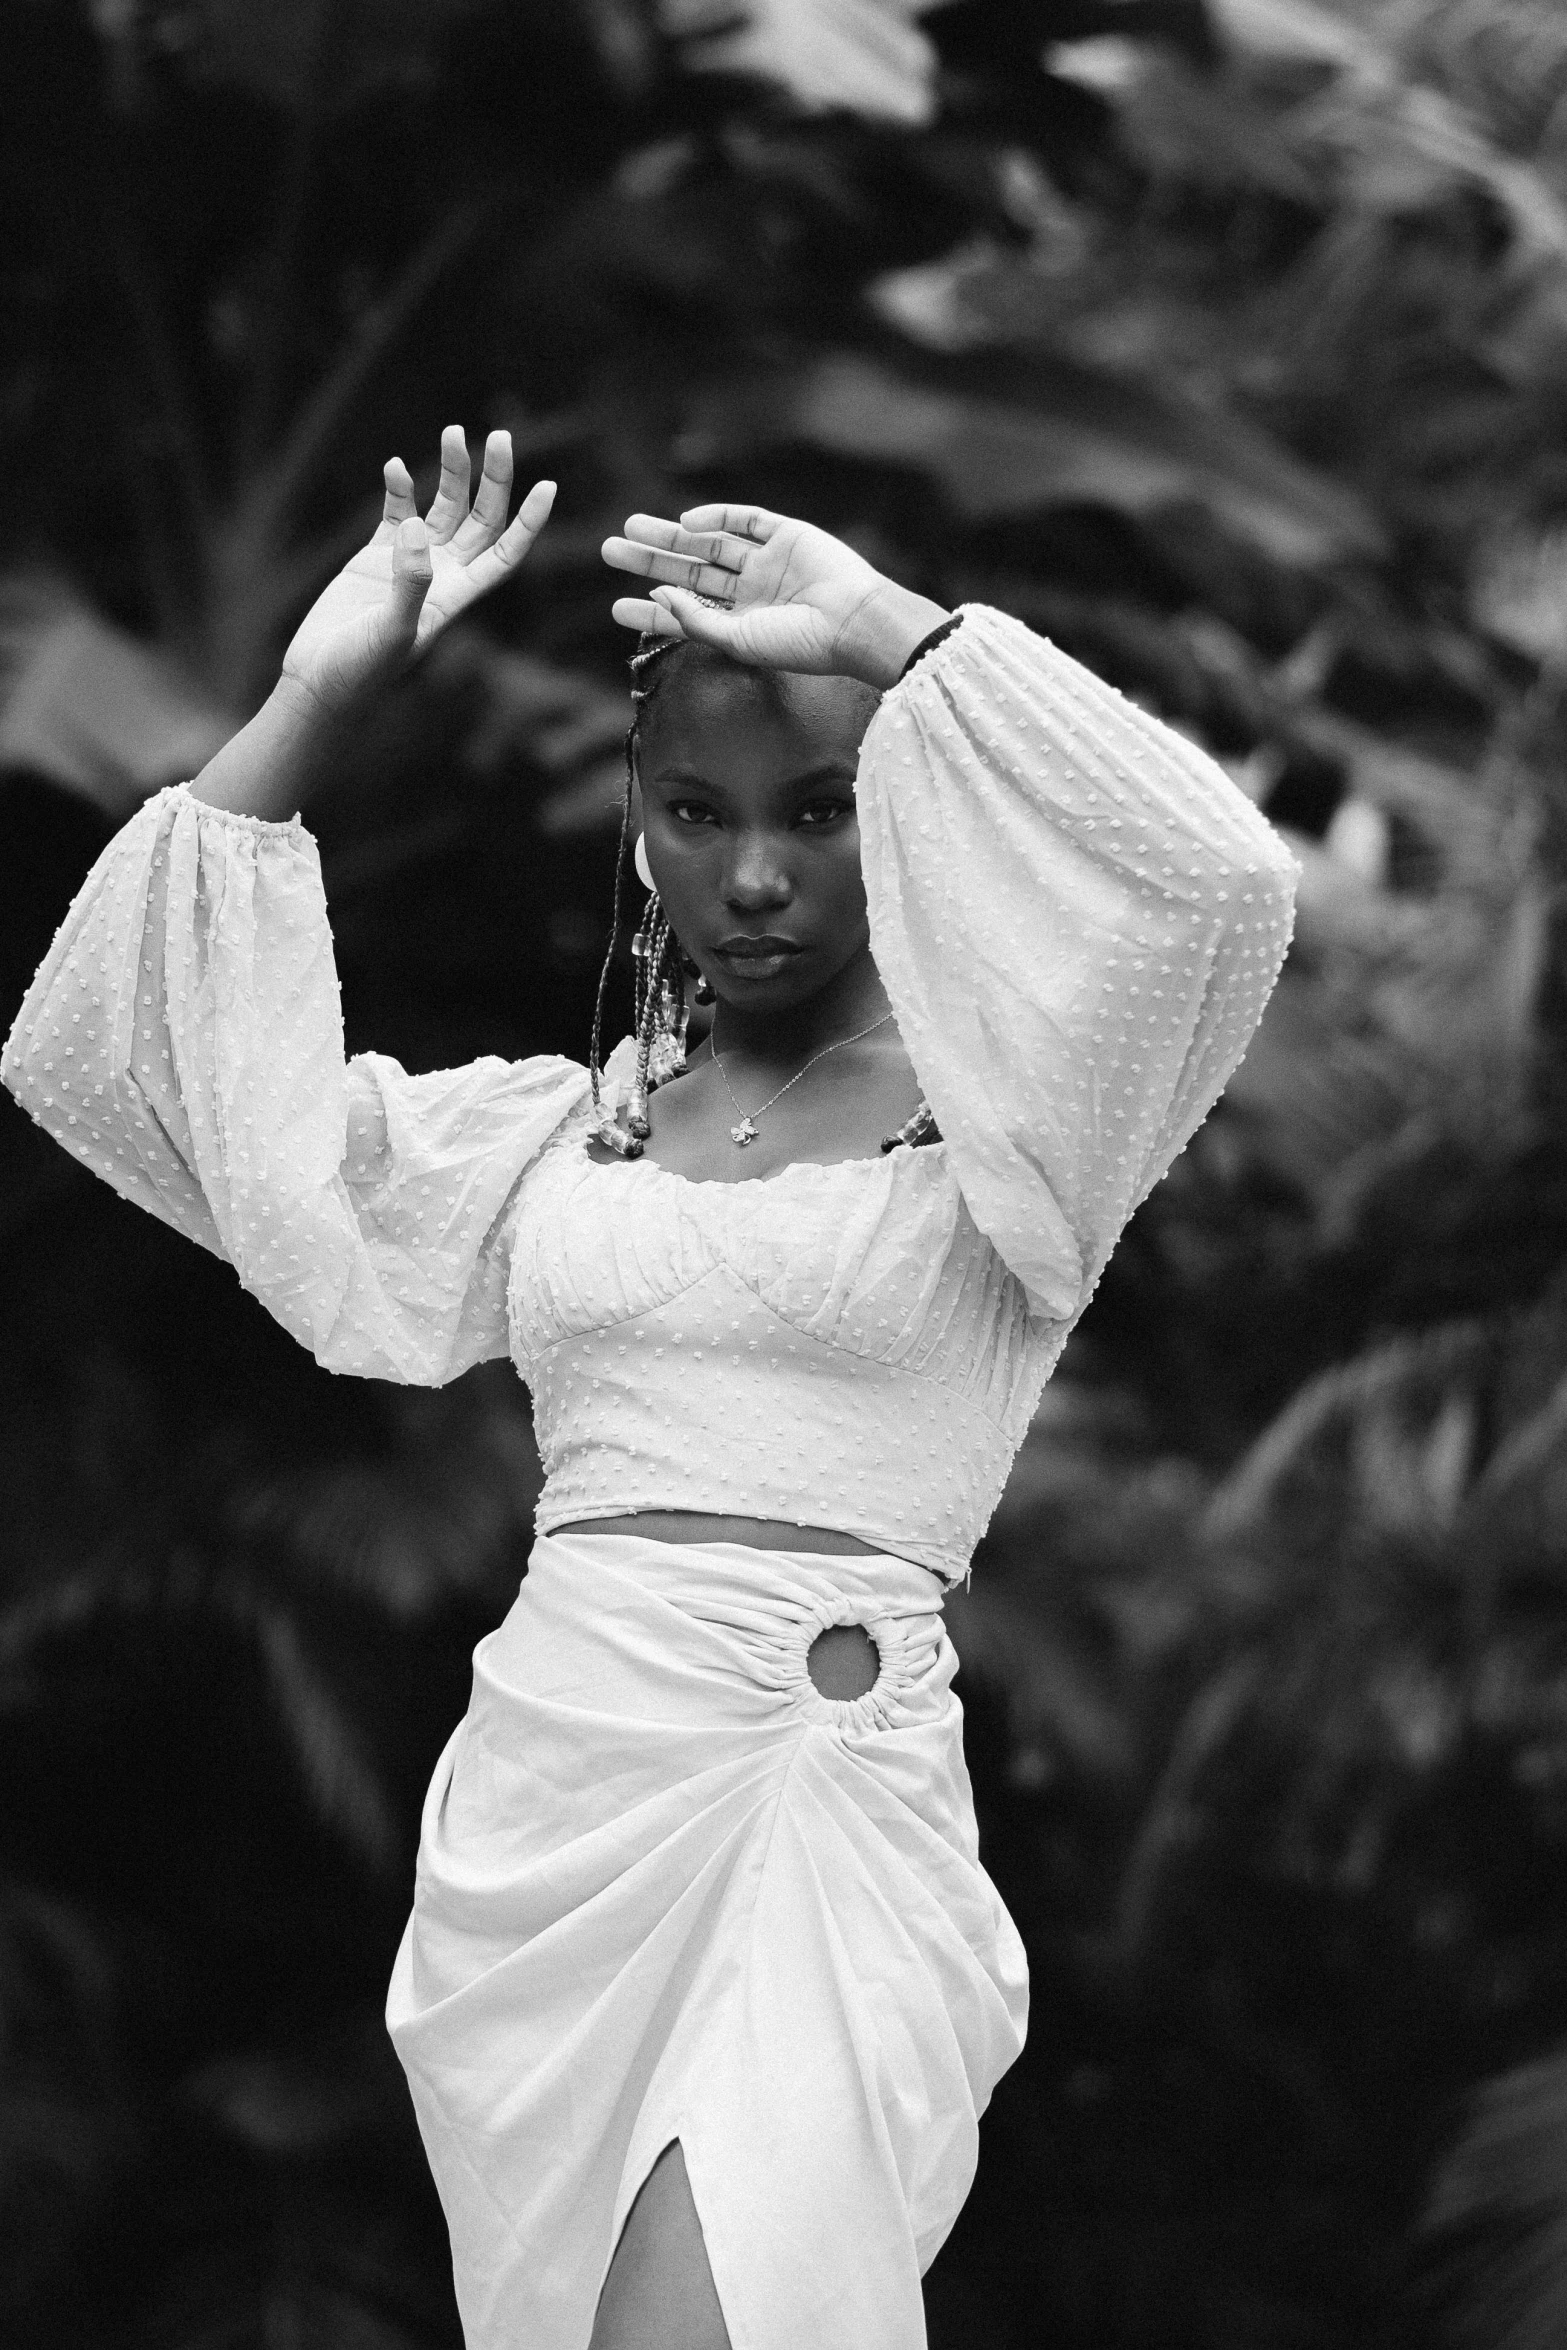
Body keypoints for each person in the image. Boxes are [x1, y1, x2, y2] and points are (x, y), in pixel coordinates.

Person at [1, 425, 1298, 2350]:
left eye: (818, 811)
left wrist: (890, 629)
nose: (753, 874)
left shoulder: (1011, 1133)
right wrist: (318, 686)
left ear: (905, 810)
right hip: (554, 1811)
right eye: (695, 812)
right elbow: (127, 1063)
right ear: (635, 815)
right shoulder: (552, 1137)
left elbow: (1216, 887)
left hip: (811, 1798)